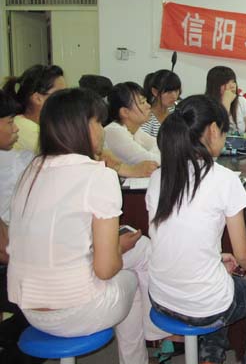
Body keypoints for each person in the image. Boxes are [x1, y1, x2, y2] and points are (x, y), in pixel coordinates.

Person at [7, 88, 167, 364]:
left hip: (30, 308)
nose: (102, 131)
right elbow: (106, 269)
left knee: (135, 252)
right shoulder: (98, 176)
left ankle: (150, 344)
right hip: (75, 312)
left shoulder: (31, 172)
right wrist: (116, 248)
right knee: (139, 257)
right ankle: (156, 336)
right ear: (83, 127)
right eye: (98, 123)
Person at [147, 95, 246, 364]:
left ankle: (210, 356)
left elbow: (177, 239)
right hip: (205, 304)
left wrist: (217, 260)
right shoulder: (223, 179)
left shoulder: (159, 177)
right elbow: (244, 256)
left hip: (160, 298)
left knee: (222, 281)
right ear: (214, 129)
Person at [0, 90, 40, 364]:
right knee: (49, 302)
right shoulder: (14, 162)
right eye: (9, 122)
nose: (15, 129)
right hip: (7, 267)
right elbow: (5, 252)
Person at [2, 64, 66, 152]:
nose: (67, 100)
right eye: (61, 95)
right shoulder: (27, 129)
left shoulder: (42, 126)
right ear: (37, 98)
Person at [105, 82, 161, 165]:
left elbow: (161, 144)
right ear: (125, 112)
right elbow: (150, 161)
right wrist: (156, 152)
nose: (148, 106)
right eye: (142, 102)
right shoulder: (114, 131)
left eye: (146, 101)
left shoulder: (135, 130)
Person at [205, 66, 246, 136]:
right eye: (226, 82)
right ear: (214, 86)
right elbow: (215, 135)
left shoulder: (242, 102)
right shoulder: (204, 105)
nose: (232, 86)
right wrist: (226, 102)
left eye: (233, 81)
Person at [141, 69, 182, 137]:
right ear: (155, 92)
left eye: (176, 91)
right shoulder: (147, 118)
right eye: (169, 92)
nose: (174, 96)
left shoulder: (177, 110)